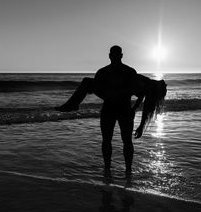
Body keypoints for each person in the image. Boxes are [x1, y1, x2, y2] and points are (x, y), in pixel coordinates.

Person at [55, 45, 167, 176]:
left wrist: (132, 109)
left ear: (112, 56)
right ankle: (118, 169)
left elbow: (141, 93)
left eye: (114, 55)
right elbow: (141, 94)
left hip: (116, 108)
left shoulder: (113, 72)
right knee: (115, 141)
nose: (114, 57)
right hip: (120, 107)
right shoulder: (124, 71)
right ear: (120, 55)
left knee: (120, 141)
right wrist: (133, 109)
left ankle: (118, 170)